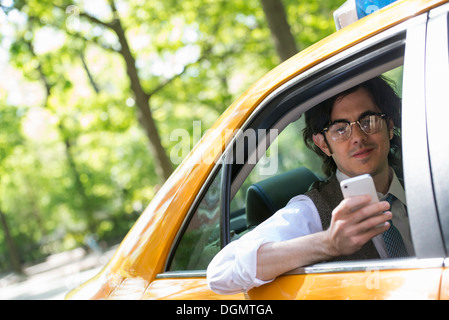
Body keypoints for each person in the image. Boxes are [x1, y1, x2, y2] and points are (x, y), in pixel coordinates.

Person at [206, 76, 414, 295]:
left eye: (369, 120)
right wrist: (328, 243)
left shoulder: (426, 182)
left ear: (389, 126)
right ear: (323, 143)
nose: (358, 137)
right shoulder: (311, 211)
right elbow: (221, 272)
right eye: (340, 128)